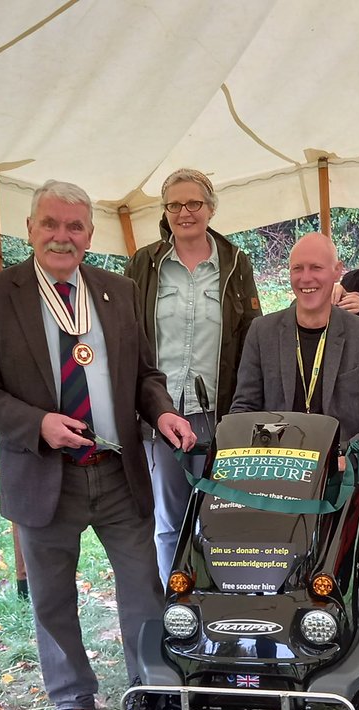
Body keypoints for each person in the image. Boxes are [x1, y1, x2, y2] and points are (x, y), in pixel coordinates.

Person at [0, 180, 197, 710]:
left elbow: (145, 376)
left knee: (143, 587)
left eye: (75, 227)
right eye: (51, 224)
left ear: (91, 234)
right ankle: (72, 699)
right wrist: (37, 423)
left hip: (117, 471)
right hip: (44, 474)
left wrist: (161, 413)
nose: (63, 236)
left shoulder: (116, 291)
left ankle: (149, 690)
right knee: (51, 596)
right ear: (31, 229)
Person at [124, 169, 262, 579]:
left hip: (218, 410)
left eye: (194, 204)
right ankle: (176, 605)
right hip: (162, 412)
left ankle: (219, 600)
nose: (185, 213)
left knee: (222, 517)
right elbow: (127, 335)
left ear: (211, 208)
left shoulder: (236, 263)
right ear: (165, 212)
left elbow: (250, 337)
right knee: (169, 522)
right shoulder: (144, 264)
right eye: (175, 205)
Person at [230, 232, 359, 503]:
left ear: (337, 271)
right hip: (278, 475)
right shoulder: (262, 331)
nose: (306, 278)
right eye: (297, 268)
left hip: (347, 477)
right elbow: (243, 409)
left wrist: (351, 456)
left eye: (316, 268)